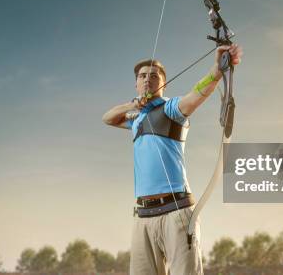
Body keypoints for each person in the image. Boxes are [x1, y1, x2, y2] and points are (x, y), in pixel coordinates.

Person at [102, 44, 242, 275]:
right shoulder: (135, 118)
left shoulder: (171, 109)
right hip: (143, 216)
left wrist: (216, 71)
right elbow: (107, 118)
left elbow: (195, 95)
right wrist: (132, 105)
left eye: (154, 76)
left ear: (164, 82)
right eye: (142, 76)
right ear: (136, 84)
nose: (148, 79)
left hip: (175, 211)